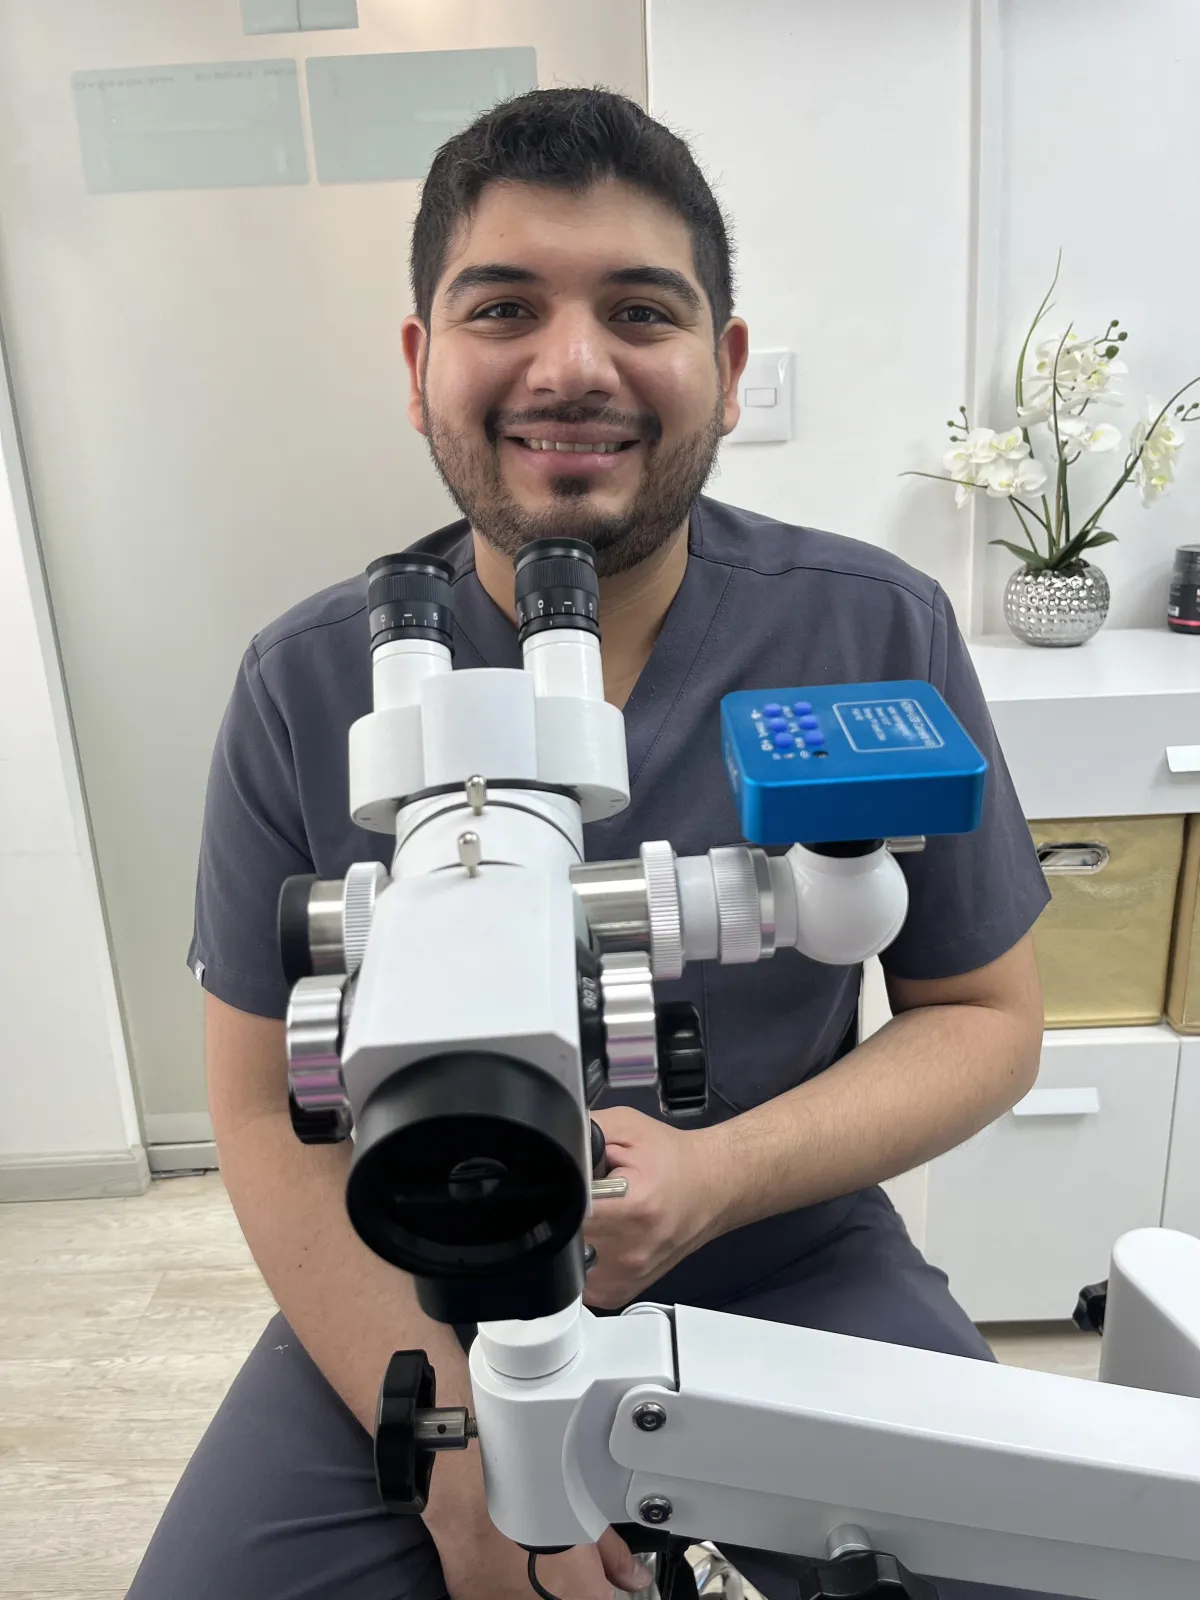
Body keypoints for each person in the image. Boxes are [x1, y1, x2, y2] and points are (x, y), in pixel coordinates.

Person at [128, 88, 1052, 1600]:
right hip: (428, 1273)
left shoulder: (867, 632)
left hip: (782, 1250)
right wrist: (464, 1471)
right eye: (504, 308)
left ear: (726, 370)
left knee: (1013, 1564)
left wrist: (717, 1177)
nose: (571, 366)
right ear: (421, 366)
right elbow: (257, 1110)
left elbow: (987, 1018)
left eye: (639, 309)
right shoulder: (308, 681)